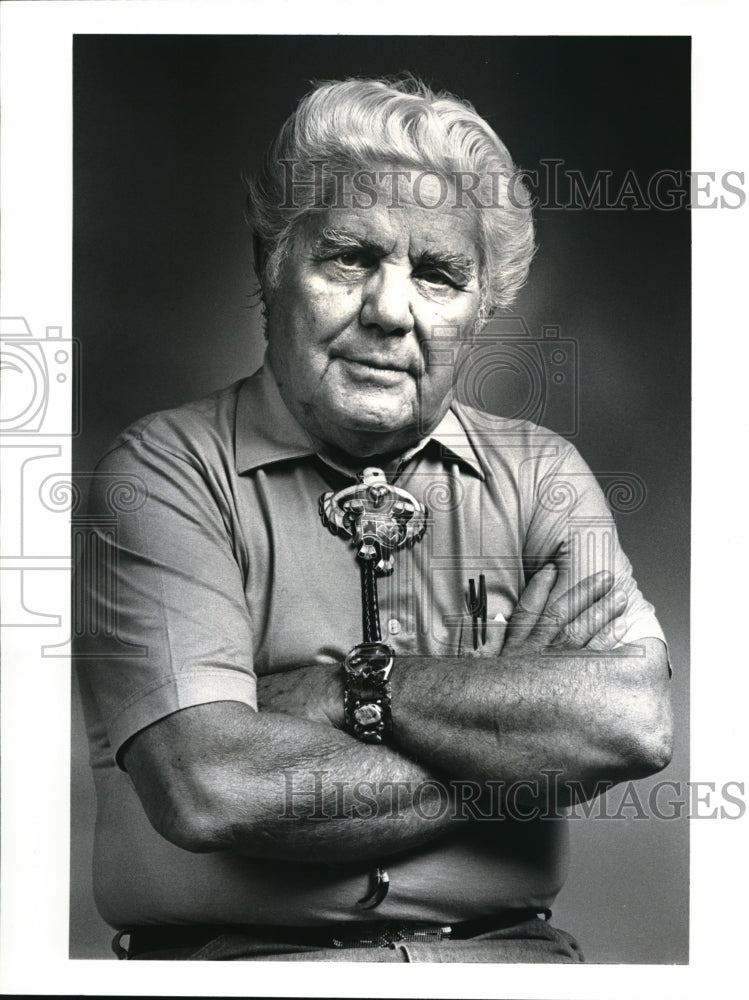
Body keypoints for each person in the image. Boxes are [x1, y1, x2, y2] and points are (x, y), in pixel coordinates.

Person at [76, 76, 673, 963]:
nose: (390, 312)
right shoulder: (162, 471)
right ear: (270, 261)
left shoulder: (544, 475)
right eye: (350, 257)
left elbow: (628, 725)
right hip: (240, 972)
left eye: (437, 274)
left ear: (483, 308)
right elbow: (212, 785)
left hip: (509, 962)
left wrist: (348, 690)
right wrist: (518, 754)